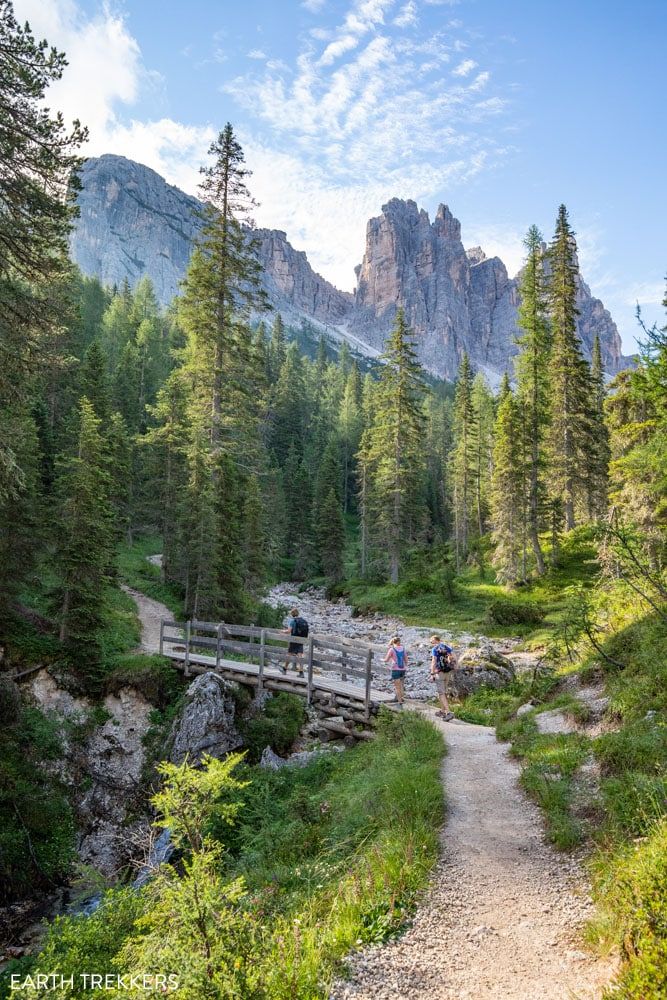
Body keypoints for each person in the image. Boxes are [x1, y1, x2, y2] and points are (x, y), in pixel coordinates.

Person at [430, 634, 455, 721]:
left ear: (436, 640)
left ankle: (448, 712)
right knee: (443, 692)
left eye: (431, 642)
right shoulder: (446, 647)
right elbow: (453, 657)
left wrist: (432, 673)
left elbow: (434, 661)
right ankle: (442, 711)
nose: (431, 643)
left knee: (441, 693)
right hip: (447, 672)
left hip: (439, 673)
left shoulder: (434, 649)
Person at [281, 607, 309, 675]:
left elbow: (289, 631)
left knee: (289, 653)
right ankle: (301, 672)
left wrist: (283, 631)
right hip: (301, 639)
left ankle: (285, 669)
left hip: (294, 639)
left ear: (292, 614)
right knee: (300, 655)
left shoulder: (292, 621)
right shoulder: (302, 620)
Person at [383, 635, 408, 707]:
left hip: (395, 669)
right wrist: (405, 666)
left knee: (397, 686)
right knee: (401, 684)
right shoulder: (403, 649)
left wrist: (382, 660)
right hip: (402, 669)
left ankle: (400, 701)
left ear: (393, 642)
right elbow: (406, 660)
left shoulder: (391, 649)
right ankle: (402, 697)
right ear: (399, 642)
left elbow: (386, 660)